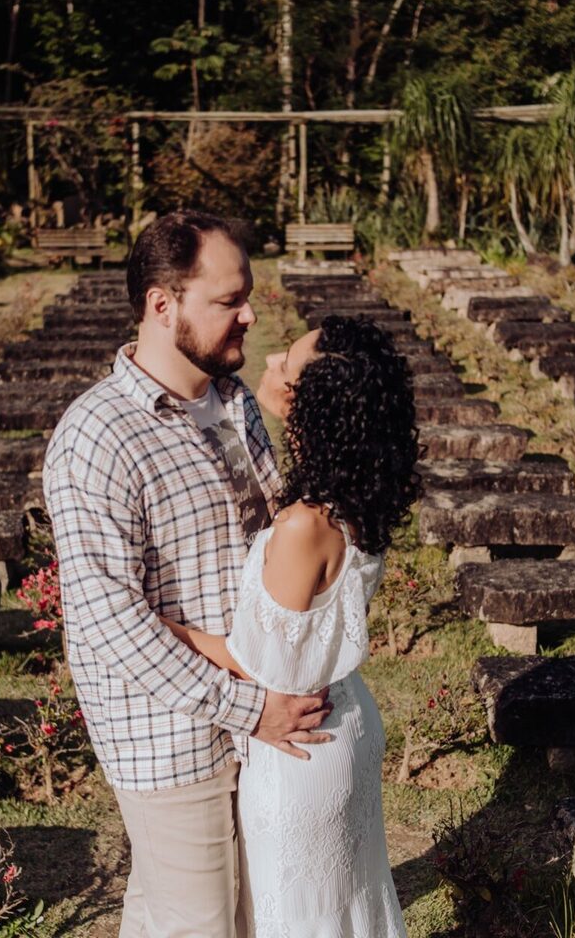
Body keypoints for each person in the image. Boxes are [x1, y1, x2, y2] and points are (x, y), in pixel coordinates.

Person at [44, 210, 332, 938]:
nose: (250, 314)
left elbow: (267, 547)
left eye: (249, 295)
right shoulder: (97, 438)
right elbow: (109, 623)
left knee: (201, 915)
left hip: (252, 713)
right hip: (169, 734)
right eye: (229, 300)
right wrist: (250, 709)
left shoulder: (234, 404)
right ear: (161, 305)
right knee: (200, 925)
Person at [161, 315, 420, 936]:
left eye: (289, 364)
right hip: (345, 719)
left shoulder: (305, 525)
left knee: (300, 918)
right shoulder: (358, 493)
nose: (272, 358)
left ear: (317, 402)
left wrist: (171, 628)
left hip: (300, 748)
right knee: (349, 908)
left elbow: (263, 664)